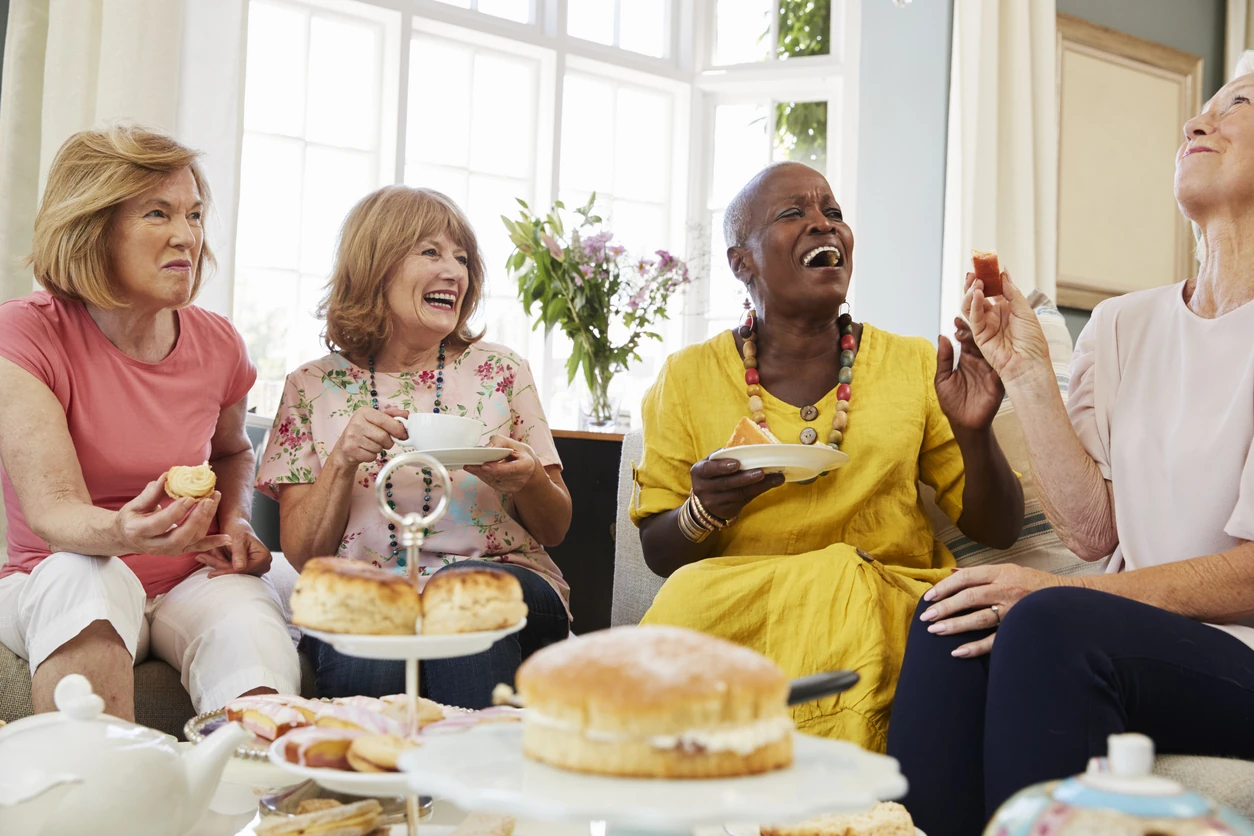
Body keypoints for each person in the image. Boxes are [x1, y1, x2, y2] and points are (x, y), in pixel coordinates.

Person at [886, 65, 1254, 836]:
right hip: (1141, 636)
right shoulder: (1124, 323)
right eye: (1200, 110)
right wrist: (1023, 370)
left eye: (1239, 105)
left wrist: (1070, 598)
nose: (1199, 123)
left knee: (1051, 622)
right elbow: (1093, 533)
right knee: (953, 615)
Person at [630, 161, 1024, 750]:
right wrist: (702, 510)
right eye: (795, 214)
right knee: (685, 600)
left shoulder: (913, 363)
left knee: (845, 583)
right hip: (740, 606)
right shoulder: (686, 378)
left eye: (833, 213)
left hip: (876, 598)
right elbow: (661, 554)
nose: (824, 225)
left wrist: (974, 430)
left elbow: (1000, 528)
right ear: (743, 262)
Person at [0, 125, 300, 718]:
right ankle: (98, 803)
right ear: (93, 226)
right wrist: (126, 534)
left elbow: (233, 452)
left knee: (248, 623)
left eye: (193, 215)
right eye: (158, 213)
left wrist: (235, 519)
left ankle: (253, 801)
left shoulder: (218, 343)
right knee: (82, 580)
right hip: (55, 570)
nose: (186, 236)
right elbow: (54, 512)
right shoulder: (27, 333)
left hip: (189, 574)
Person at [258, 185, 571, 708]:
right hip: (369, 586)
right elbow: (306, 555)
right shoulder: (310, 386)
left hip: (504, 581)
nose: (454, 271)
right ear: (375, 264)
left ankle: (466, 785)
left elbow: (557, 527)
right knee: (370, 615)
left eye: (462, 258)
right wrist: (343, 460)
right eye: (430, 251)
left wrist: (529, 480)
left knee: (462, 596)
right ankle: (371, 782)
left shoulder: (502, 371)